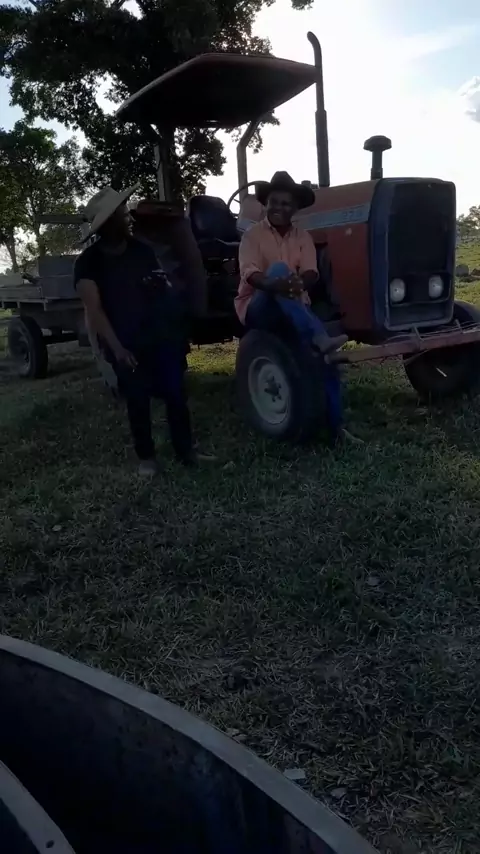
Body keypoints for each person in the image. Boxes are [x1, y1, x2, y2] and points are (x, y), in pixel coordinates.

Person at [74, 185, 199, 476]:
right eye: (122, 215)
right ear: (108, 224)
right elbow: (95, 311)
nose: (128, 218)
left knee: (176, 394)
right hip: (125, 340)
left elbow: (162, 288)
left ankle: (186, 451)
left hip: (159, 335)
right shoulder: (87, 263)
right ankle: (147, 458)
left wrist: (165, 292)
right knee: (137, 399)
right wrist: (117, 349)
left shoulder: (142, 251)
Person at [236, 171, 350, 443]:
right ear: (266, 204)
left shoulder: (303, 237)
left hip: (294, 304)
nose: (279, 207)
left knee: (328, 364)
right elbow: (249, 273)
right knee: (278, 269)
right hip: (259, 305)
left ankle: (336, 429)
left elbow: (311, 272)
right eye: (274, 202)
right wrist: (276, 284)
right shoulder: (252, 235)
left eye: (286, 203)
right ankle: (318, 337)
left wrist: (298, 283)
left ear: (295, 209)